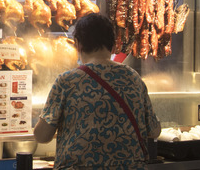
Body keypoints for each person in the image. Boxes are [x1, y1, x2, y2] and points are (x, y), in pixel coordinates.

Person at [33, 13, 161, 169]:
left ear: (78, 44)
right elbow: (154, 131)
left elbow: (41, 135)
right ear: (113, 45)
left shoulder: (67, 81)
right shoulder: (133, 78)